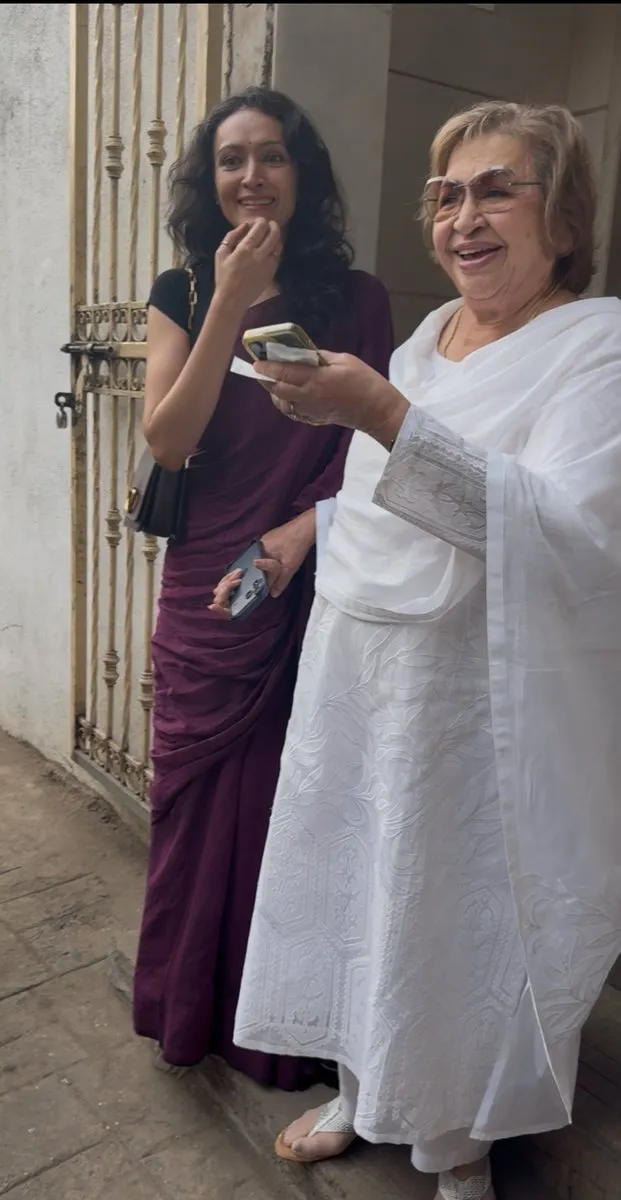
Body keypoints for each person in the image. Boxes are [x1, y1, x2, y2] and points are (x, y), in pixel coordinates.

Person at [229, 101, 621, 1198]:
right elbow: (387, 501)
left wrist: (385, 414)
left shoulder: (597, 344)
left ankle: (453, 1138)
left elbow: (571, 532)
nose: (463, 218)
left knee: (441, 905)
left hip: (473, 704)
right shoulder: (421, 341)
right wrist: (318, 520)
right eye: (446, 196)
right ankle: (364, 1084)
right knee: (362, 880)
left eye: (497, 188)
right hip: (362, 676)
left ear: (565, 212)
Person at [132, 86, 394, 1091]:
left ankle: (282, 1029)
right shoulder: (182, 290)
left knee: (302, 806)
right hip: (210, 591)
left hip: (320, 580)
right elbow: (167, 436)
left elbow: (375, 451)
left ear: (303, 174)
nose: (251, 175)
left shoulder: (356, 299)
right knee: (194, 806)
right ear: (209, 180)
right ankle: (182, 1005)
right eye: (231, 159)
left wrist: (302, 531)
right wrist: (229, 306)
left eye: (272, 156)